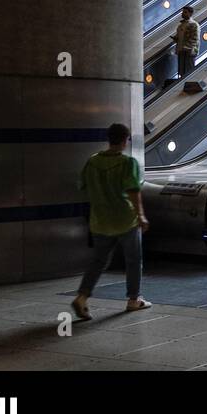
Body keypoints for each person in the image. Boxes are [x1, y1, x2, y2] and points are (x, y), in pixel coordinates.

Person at [72, 123, 150, 320]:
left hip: (100, 219)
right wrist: (140, 215)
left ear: (109, 139)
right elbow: (133, 190)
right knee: (133, 260)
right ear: (125, 140)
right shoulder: (127, 163)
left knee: (98, 261)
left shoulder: (92, 162)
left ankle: (82, 297)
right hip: (126, 219)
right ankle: (134, 299)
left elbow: (82, 185)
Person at [173, 5, 199, 79]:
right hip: (181, 51)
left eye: (185, 12)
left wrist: (187, 47)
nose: (183, 14)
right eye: (182, 12)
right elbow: (179, 36)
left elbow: (195, 39)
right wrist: (176, 38)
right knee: (181, 71)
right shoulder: (181, 25)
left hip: (189, 52)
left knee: (188, 71)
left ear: (190, 14)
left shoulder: (193, 24)